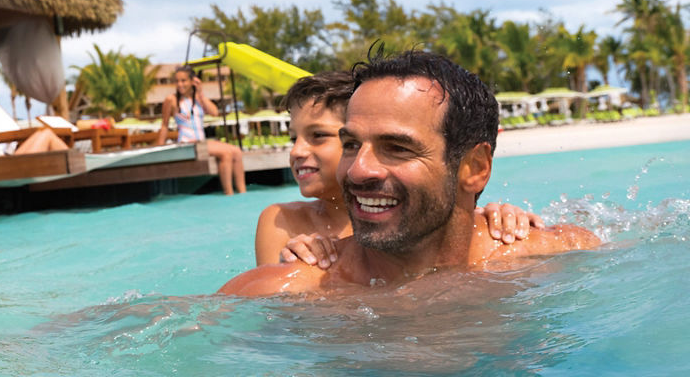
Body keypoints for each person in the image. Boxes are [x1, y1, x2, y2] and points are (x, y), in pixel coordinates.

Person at [221, 49, 600, 296]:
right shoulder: (291, 289)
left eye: (397, 148)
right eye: (351, 144)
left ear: (475, 168)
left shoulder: (553, 255)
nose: (358, 171)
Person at [255, 69, 541, 267]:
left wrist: (504, 220)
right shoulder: (282, 221)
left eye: (318, 136)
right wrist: (292, 264)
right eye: (293, 138)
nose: (297, 151)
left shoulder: (425, 214)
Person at [157, 65, 246, 195]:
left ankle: (242, 193)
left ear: (192, 81)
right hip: (187, 143)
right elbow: (164, 125)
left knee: (237, 152)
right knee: (226, 154)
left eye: (183, 80)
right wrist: (159, 149)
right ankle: (229, 193)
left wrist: (200, 92)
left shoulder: (198, 98)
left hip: (201, 142)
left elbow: (214, 112)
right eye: (177, 81)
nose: (180, 84)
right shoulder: (171, 100)